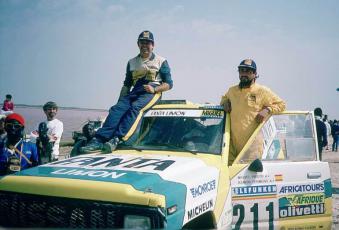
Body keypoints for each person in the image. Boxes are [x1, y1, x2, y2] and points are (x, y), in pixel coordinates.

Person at [81, 30, 173, 153]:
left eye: (148, 43)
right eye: (142, 42)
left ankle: (117, 139)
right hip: (135, 91)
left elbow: (169, 84)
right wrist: (120, 102)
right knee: (116, 109)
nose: (145, 45)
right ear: (138, 44)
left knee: (135, 108)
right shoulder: (131, 62)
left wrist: (155, 89)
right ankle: (98, 140)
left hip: (152, 91)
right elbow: (126, 85)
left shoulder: (161, 61)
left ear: (153, 45)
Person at [220, 59, 286, 164]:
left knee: (248, 177)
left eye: (248, 71)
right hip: (232, 146)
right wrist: (224, 103)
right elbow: (224, 99)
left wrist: (267, 109)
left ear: (255, 74)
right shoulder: (232, 91)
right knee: (228, 176)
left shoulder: (262, 91)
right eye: (241, 70)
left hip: (252, 146)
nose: (244, 74)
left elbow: (281, 104)